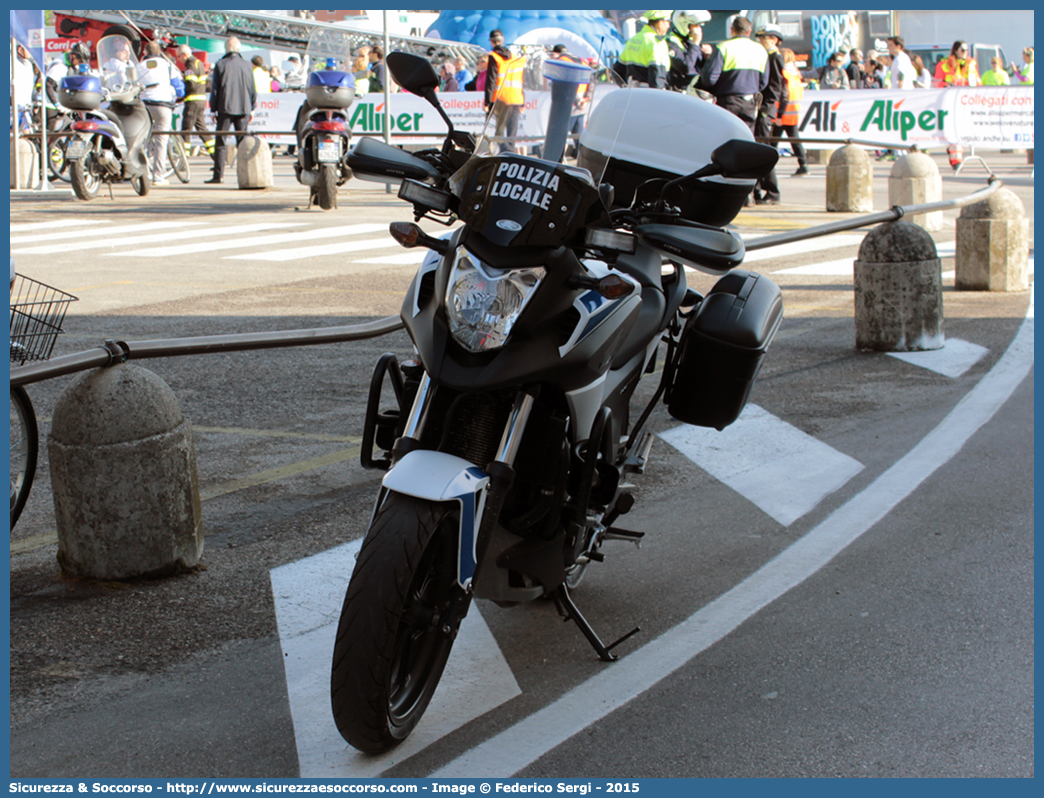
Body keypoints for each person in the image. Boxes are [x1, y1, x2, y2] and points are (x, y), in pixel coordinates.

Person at [700, 15, 768, 132]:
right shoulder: (761, 50)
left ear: (732, 30)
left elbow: (710, 79)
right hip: (749, 102)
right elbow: (763, 82)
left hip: (727, 103)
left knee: (726, 138)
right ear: (749, 31)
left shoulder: (723, 47)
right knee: (746, 139)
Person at [208, 36, 256, 184]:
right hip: (244, 108)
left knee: (221, 142)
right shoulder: (248, 65)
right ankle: (245, 175)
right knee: (242, 143)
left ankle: (218, 175)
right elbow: (252, 88)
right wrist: (252, 108)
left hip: (225, 108)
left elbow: (215, 90)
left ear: (226, 49)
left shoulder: (221, 64)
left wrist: (213, 109)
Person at [751, 23, 786, 204]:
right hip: (763, 106)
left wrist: (770, 109)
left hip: (767, 108)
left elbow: (777, 86)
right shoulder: (766, 56)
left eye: (764, 38)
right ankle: (756, 189)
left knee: (764, 150)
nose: (761, 41)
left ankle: (772, 192)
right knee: (757, 148)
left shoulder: (774, 58)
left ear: (774, 40)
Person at [137, 40, 179, 186]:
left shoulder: (139, 65)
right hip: (163, 106)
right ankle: (158, 177)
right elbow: (179, 87)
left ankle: (141, 173)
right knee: (162, 141)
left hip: (144, 106)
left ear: (145, 52)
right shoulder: (168, 65)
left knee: (142, 140)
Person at [484, 30, 526, 153]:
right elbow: (521, 79)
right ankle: (510, 154)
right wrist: (523, 101)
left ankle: (506, 154)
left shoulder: (494, 56)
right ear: (502, 40)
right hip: (517, 98)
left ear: (491, 42)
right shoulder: (514, 57)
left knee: (500, 131)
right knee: (512, 131)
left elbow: (491, 80)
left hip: (501, 98)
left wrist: (487, 102)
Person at [616, 10, 672, 89]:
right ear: (660, 23)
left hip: (631, 93)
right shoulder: (657, 42)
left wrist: (625, 87)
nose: (669, 25)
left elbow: (617, 71)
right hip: (648, 95)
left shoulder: (633, 39)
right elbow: (657, 77)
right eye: (668, 22)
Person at [774, 47, 808, 177]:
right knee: (795, 140)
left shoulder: (784, 74)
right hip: (792, 113)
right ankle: (803, 164)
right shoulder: (795, 75)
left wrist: (779, 114)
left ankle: (767, 168)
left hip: (781, 113)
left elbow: (784, 95)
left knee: (772, 142)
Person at [179, 51, 215, 160]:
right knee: (202, 129)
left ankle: (183, 158)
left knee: (186, 129)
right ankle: (216, 156)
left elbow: (191, 85)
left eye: (179, 55)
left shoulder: (190, 65)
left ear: (184, 54)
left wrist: (182, 88)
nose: (178, 58)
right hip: (200, 102)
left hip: (192, 102)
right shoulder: (198, 63)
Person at [666, 9, 711, 91]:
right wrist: (695, 43)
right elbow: (686, 67)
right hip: (680, 90)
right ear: (684, 24)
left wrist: (707, 56)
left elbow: (700, 67)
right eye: (696, 26)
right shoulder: (671, 42)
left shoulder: (690, 40)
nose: (699, 30)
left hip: (695, 88)